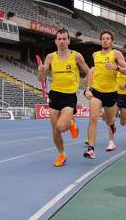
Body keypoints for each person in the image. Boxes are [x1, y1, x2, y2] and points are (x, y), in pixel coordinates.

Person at [38, 29, 90, 167]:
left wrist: (87, 85)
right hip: (55, 94)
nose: (61, 41)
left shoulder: (76, 56)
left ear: (68, 40)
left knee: (61, 127)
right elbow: (41, 79)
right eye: (59, 39)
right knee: (55, 131)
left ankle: (71, 123)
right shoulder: (50, 57)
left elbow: (88, 71)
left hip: (69, 96)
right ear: (55, 41)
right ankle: (62, 155)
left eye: (64, 39)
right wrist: (41, 71)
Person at [83, 30, 126, 159]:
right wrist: (88, 88)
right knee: (93, 118)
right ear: (100, 41)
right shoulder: (95, 55)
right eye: (103, 38)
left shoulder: (116, 54)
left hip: (111, 93)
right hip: (96, 91)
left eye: (107, 38)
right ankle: (91, 149)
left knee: (109, 120)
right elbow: (93, 73)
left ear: (112, 41)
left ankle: (112, 125)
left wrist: (116, 68)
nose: (105, 40)